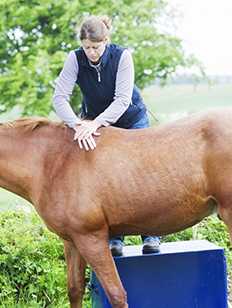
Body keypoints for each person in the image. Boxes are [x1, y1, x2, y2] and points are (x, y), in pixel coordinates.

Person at [52, 14, 161, 256]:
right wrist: (77, 125)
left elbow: (122, 99)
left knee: (141, 173)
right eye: (87, 47)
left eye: (96, 47)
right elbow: (59, 98)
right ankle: (115, 239)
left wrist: (96, 123)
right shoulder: (75, 58)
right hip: (93, 124)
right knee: (104, 178)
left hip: (131, 119)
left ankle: (152, 234)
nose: (91, 52)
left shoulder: (123, 56)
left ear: (107, 41)